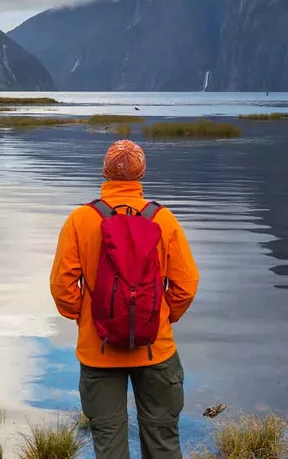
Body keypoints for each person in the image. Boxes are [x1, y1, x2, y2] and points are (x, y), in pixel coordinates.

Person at [49, 140, 200, 459]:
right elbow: (186, 284)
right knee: (163, 442)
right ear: (141, 174)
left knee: (108, 444)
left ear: (104, 173)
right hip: (155, 349)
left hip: (98, 350)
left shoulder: (80, 220)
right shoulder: (164, 219)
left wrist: (84, 316)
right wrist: (162, 316)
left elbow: (62, 286)